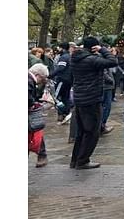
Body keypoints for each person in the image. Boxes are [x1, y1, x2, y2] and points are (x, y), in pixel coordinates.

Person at [69, 37, 118, 170]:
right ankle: (83, 160)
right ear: (94, 47)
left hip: (79, 98)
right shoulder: (92, 60)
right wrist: (103, 50)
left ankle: (75, 160)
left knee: (81, 132)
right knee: (92, 132)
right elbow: (113, 61)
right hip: (91, 98)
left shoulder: (75, 58)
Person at [29, 63, 50, 168]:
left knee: (34, 131)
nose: (42, 80)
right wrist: (33, 103)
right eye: (43, 78)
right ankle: (42, 154)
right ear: (38, 75)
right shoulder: (29, 81)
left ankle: (42, 154)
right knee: (35, 130)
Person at [50, 42, 75, 124]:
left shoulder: (63, 57)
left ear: (62, 48)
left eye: (59, 48)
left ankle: (62, 112)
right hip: (69, 80)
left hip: (62, 80)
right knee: (65, 97)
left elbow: (60, 68)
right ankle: (66, 114)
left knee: (56, 98)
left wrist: (50, 75)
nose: (58, 49)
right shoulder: (69, 56)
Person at [100, 62, 116, 135]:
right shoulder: (102, 59)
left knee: (104, 106)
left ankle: (101, 125)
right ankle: (102, 125)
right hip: (106, 87)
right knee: (106, 106)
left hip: (105, 86)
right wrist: (111, 80)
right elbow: (104, 73)